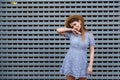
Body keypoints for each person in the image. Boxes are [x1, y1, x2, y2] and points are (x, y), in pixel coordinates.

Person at [56, 14, 95, 80]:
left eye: (75, 24)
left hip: (82, 61)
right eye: (72, 26)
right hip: (70, 60)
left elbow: (92, 51)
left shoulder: (89, 35)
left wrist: (90, 66)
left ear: (80, 22)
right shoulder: (71, 34)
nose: (74, 27)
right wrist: (71, 29)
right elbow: (58, 30)